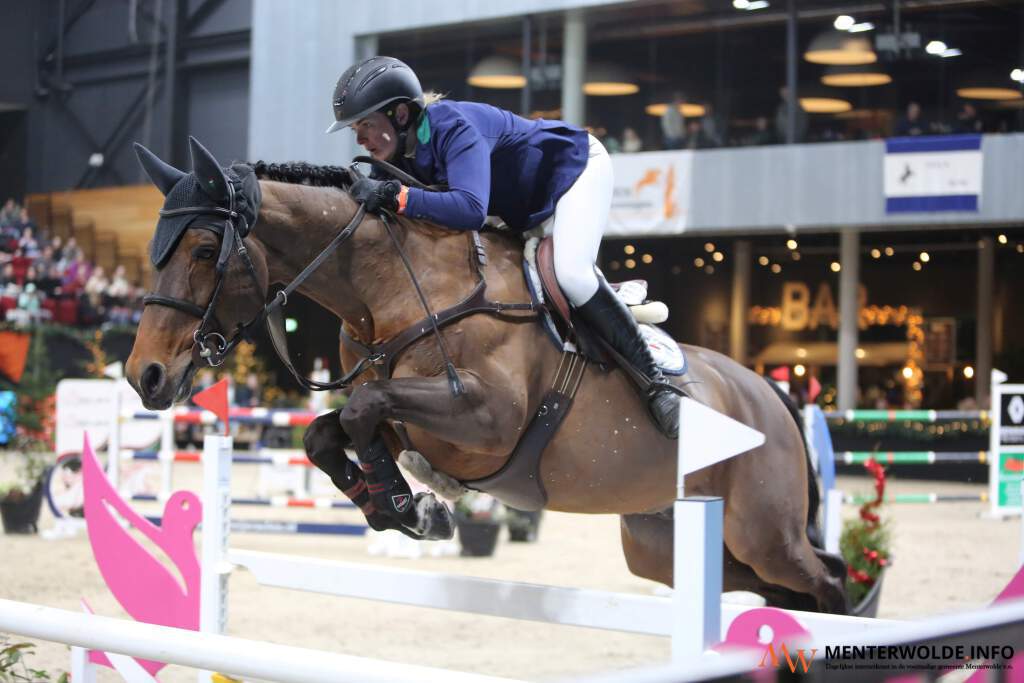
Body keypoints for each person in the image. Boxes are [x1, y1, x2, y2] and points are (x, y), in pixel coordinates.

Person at [326, 57, 679, 434]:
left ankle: (657, 386)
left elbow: (471, 209)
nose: (360, 138)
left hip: (572, 174)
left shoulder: (452, 126)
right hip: (521, 209)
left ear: (399, 114)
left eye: (365, 125)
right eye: (354, 130)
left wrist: (397, 198)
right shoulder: (395, 156)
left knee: (572, 274)